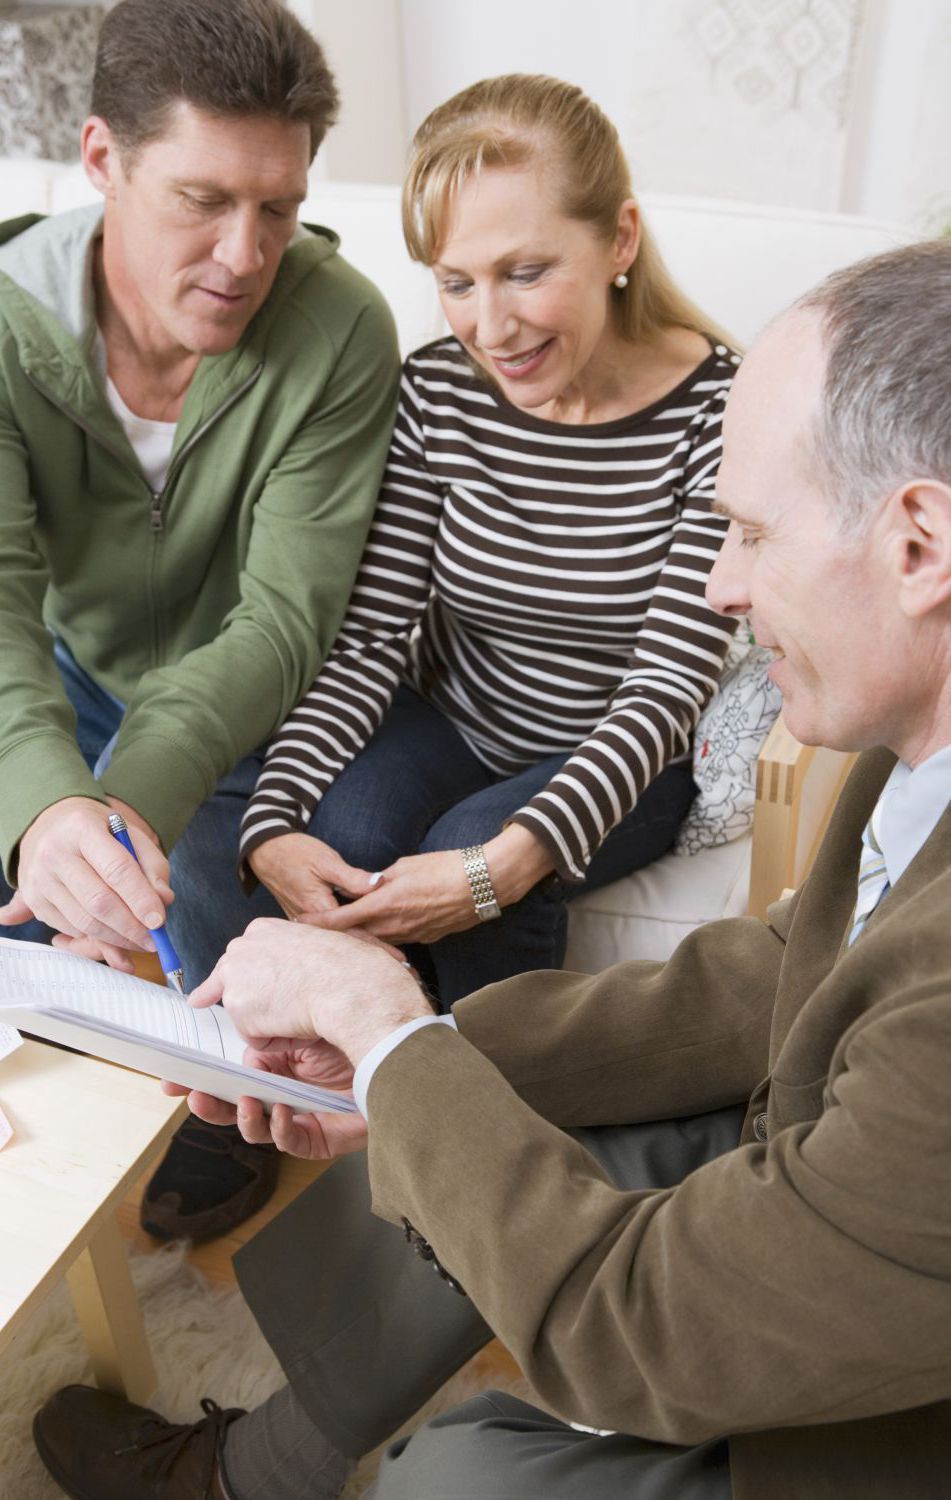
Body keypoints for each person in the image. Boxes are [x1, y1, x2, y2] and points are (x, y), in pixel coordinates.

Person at [33, 238, 951, 1499]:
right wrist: (408, 1063)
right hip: (860, 1207)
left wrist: (397, 1022)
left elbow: (646, 1333)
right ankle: (255, 1469)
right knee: (465, 1125)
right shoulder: (910, 772)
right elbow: (785, 971)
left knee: (451, 1475)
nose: (724, 586)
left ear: (920, 546)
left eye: (747, 534)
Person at [169, 74, 740, 1006]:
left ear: (619, 241)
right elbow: (367, 641)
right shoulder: (437, 392)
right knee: (332, 851)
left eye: (526, 272)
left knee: (470, 870)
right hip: (457, 721)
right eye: (456, 283)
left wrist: (504, 864)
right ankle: (284, 1106)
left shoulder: (719, 414)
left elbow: (667, 688)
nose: (491, 326)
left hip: (629, 751)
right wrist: (271, 822)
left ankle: (487, 1125)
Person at [0, 0, 400, 1242]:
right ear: (104, 158)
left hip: (252, 716)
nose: (244, 253)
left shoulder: (339, 327)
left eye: (278, 208)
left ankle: (210, 1116)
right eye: (203, 199)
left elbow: (284, 620)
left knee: (231, 996)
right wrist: (47, 808)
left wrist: (124, 805)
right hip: (66, 674)